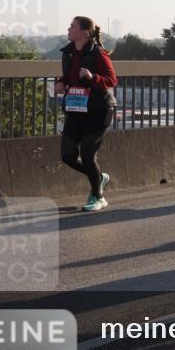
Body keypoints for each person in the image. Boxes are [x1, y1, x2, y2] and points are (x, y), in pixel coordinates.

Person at [57, 16, 118, 212]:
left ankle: (98, 197)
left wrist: (93, 78)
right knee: (67, 154)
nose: (69, 29)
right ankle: (99, 178)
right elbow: (68, 76)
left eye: (72, 26)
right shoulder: (68, 53)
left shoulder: (98, 53)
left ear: (84, 32)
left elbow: (112, 80)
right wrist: (60, 82)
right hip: (77, 108)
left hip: (99, 110)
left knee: (87, 154)